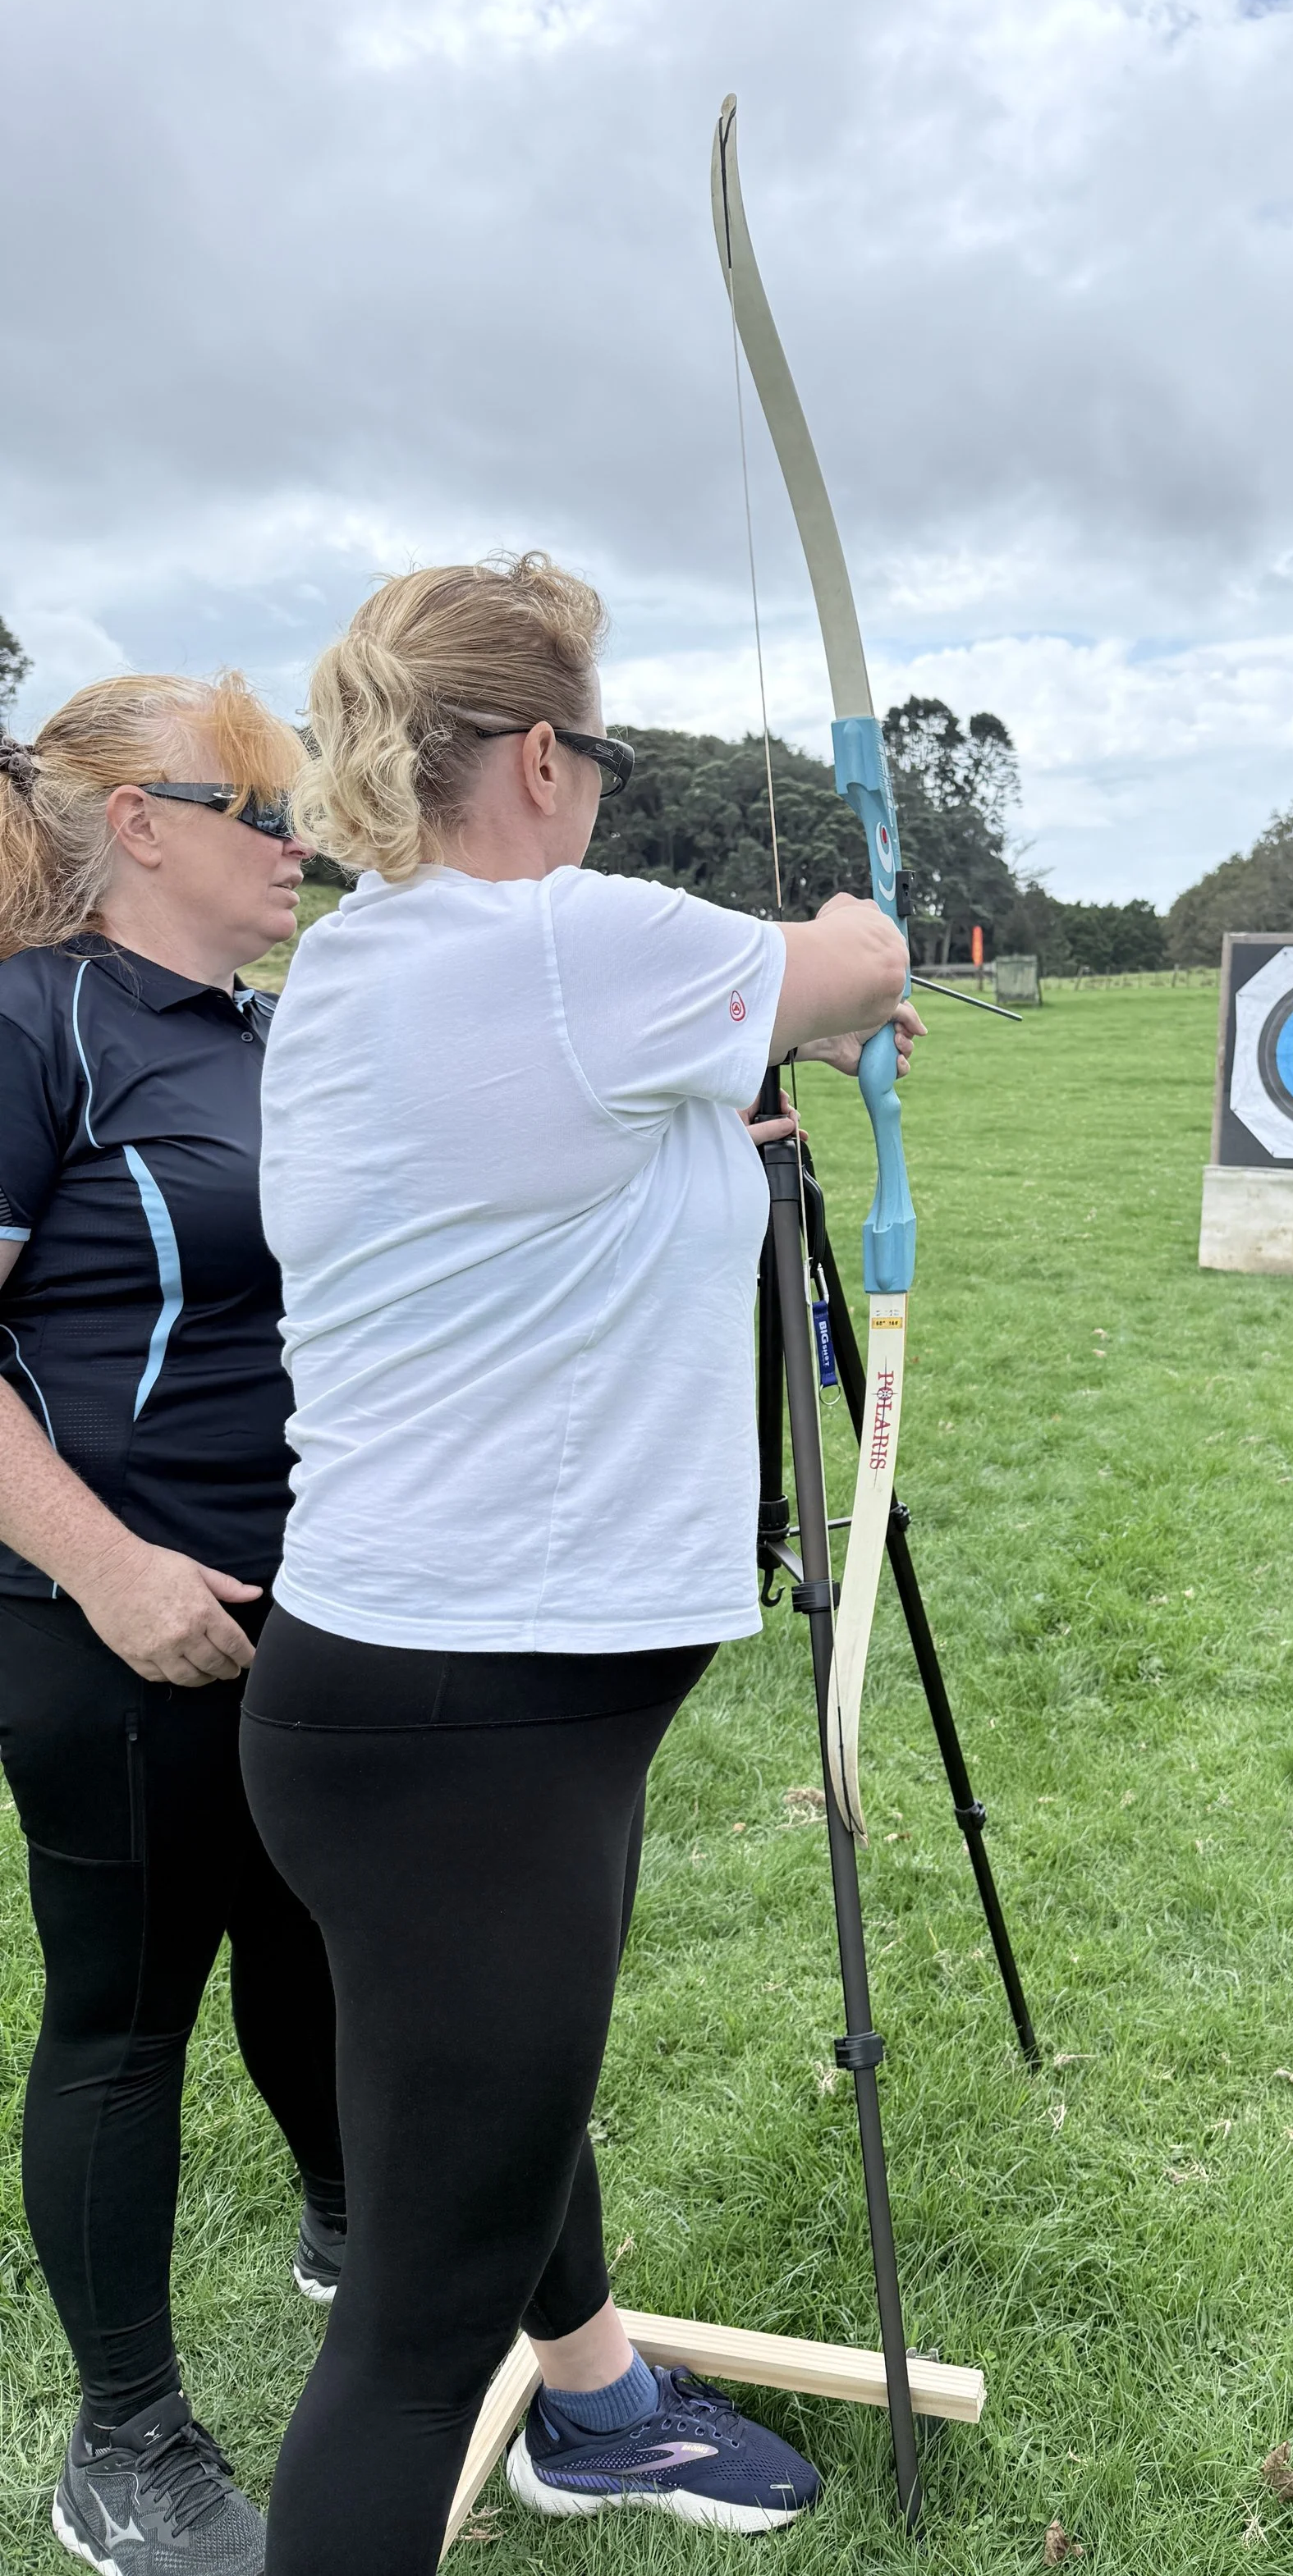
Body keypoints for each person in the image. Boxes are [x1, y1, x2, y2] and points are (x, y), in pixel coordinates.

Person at [241, 552, 918, 2574]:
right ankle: (553, 2418)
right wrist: (857, 928)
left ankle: (604, 2412)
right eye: (599, 755)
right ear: (538, 754)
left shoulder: (369, 966)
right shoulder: (566, 946)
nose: (604, 792)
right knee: (415, 2326)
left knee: (490, 2096)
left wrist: (730, 1127)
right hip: (478, 1730)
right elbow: (860, 960)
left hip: (399, 1709)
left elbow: (544, 1177)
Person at [0, 675, 346, 2576]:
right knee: (128, 2013)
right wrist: (111, 1569)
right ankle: (120, 2442)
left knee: (310, 1934)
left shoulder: (269, 1032)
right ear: (137, 823)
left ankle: (347, 2228)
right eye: (263, 808)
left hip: (315, 1604)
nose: (301, 843)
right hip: (105, 1624)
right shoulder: (28, 1020)